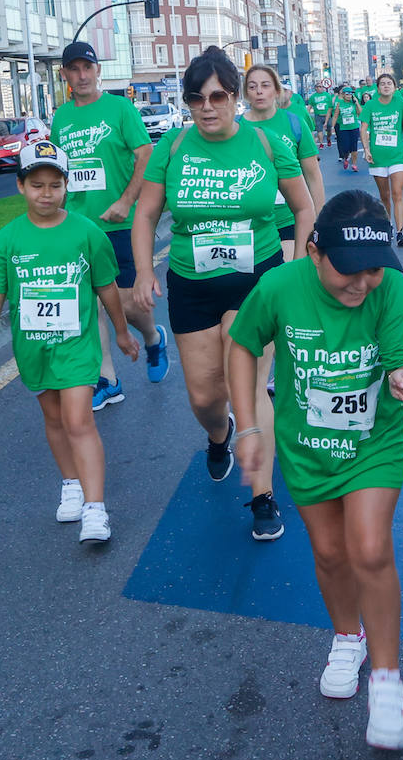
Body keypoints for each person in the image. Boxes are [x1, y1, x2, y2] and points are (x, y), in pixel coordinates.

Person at [227, 190, 403, 750]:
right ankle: (347, 638)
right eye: (349, 270)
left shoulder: (391, 291)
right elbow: (241, 345)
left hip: (373, 442)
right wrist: (247, 426)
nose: (362, 283)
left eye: (373, 270)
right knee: (330, 553)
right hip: (306, 445)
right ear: (314, 251)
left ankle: (387, 680)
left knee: (368, 547)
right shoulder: (279, 287)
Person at [131, 46, 314, 541]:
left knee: (249, 386)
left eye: (218, 96)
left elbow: (304, 208)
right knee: (206, 396)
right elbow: (146, 214)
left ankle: (261, 495)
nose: (207, 106)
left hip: (257, 279)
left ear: (234, 97)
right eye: (196, 98)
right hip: (192, 282)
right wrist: (145, 271)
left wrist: (295, 270)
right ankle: (219, 434)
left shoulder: (266, 142)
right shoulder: (172, 147)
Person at [0, 142, 139, 543]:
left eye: (54, 185)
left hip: (77, 345)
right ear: (20, 186)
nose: (45, 193)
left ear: (67, 186)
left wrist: (120, 330)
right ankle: (71, 483)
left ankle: (95, 509)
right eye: (36, 185)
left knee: (79, 420)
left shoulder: (87, 233)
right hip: (33, 347)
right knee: (53, 419)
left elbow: (107, 287)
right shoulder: (7, 239)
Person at [52, 40, 168, 415]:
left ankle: (152, 338)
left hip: (121, 224)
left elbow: (145, 156)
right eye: (74, 69)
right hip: (80, 227)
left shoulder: (120, 109)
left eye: (87, 67)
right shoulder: (61, 118)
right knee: (90, 304)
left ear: (98, 70)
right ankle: (108, 380)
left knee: (130, 301)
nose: (81, 75)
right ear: (66, 75)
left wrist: (125, 202)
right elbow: (59, 171)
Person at [243, 64, 326, 261]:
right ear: (246, 93)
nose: (259, 91)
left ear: (277, 90)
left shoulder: (294, 123)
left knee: (289, 278)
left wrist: (319, 217)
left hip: (291, 217)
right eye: (252, 87)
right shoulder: (237, 127)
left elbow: (313, 174)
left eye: (265, 85)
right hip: (250, 223)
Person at [358, 72, 403, 247]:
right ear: (378, 87)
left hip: (397, 155)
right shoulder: (370, 105)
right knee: (385, 195)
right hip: (378, 157)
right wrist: (366, 149)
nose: (386, 86)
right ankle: (387, 225)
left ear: (395, 86)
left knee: (397, 194)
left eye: (389, 83)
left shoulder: (400, 102)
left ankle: (400, 232)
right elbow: (364, 129)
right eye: (383, 84)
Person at [331, 85, 363, 172]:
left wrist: (356, 103)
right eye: (347, 94)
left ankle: (354, 164)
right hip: (343, 128)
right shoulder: (339, 104)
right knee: (345, 147)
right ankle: (346, 158)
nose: (349, 96)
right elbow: (335, 116)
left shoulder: (354, 103)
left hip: (354, 127)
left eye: (350, 94)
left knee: (354, 147)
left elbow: (360, 113)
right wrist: (332, 127)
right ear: (343, 95)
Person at [307, 80, 335, 149]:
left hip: (327, 115)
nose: (321, 88)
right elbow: (309, 106)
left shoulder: (327, 95)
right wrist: (306, 113)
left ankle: (328, 138)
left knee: (329, 130)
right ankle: (321, 143)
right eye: (319, 86)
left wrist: (328, 116)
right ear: (316, 88)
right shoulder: (313, 97)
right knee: (319, 130)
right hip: (318, 115)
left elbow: (330, 107)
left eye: (322, 86)